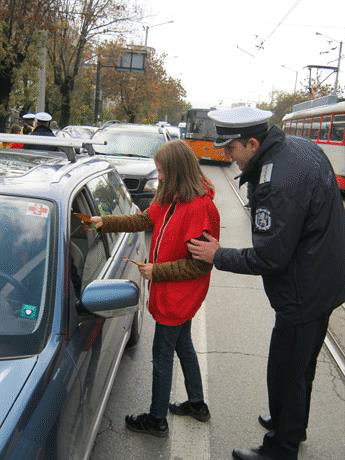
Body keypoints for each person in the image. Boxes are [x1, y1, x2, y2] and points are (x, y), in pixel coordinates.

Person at [187, 106, 345, 460]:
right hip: (327, 279)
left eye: (231, 149)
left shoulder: (278, 183)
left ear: (253, 142)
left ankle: (281, 448)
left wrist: (217, 254)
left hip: (302, 292)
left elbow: (269, 258)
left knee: (285, 373)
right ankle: (293, 423)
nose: (227, 156)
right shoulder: (301, 148)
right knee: (302, 366)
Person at [90, 140, 220, 437]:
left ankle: (156, 419)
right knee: (183, 345)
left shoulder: (201, 209)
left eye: (161, 171)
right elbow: (142, 220)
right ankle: (197, 403)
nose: (158, 176)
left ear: (175, 171)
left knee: (162, 356)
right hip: (172, 294)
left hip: (179, 296)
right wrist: (103, 223)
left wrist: (156, 271)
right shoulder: (168, 197)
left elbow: (200, 265)